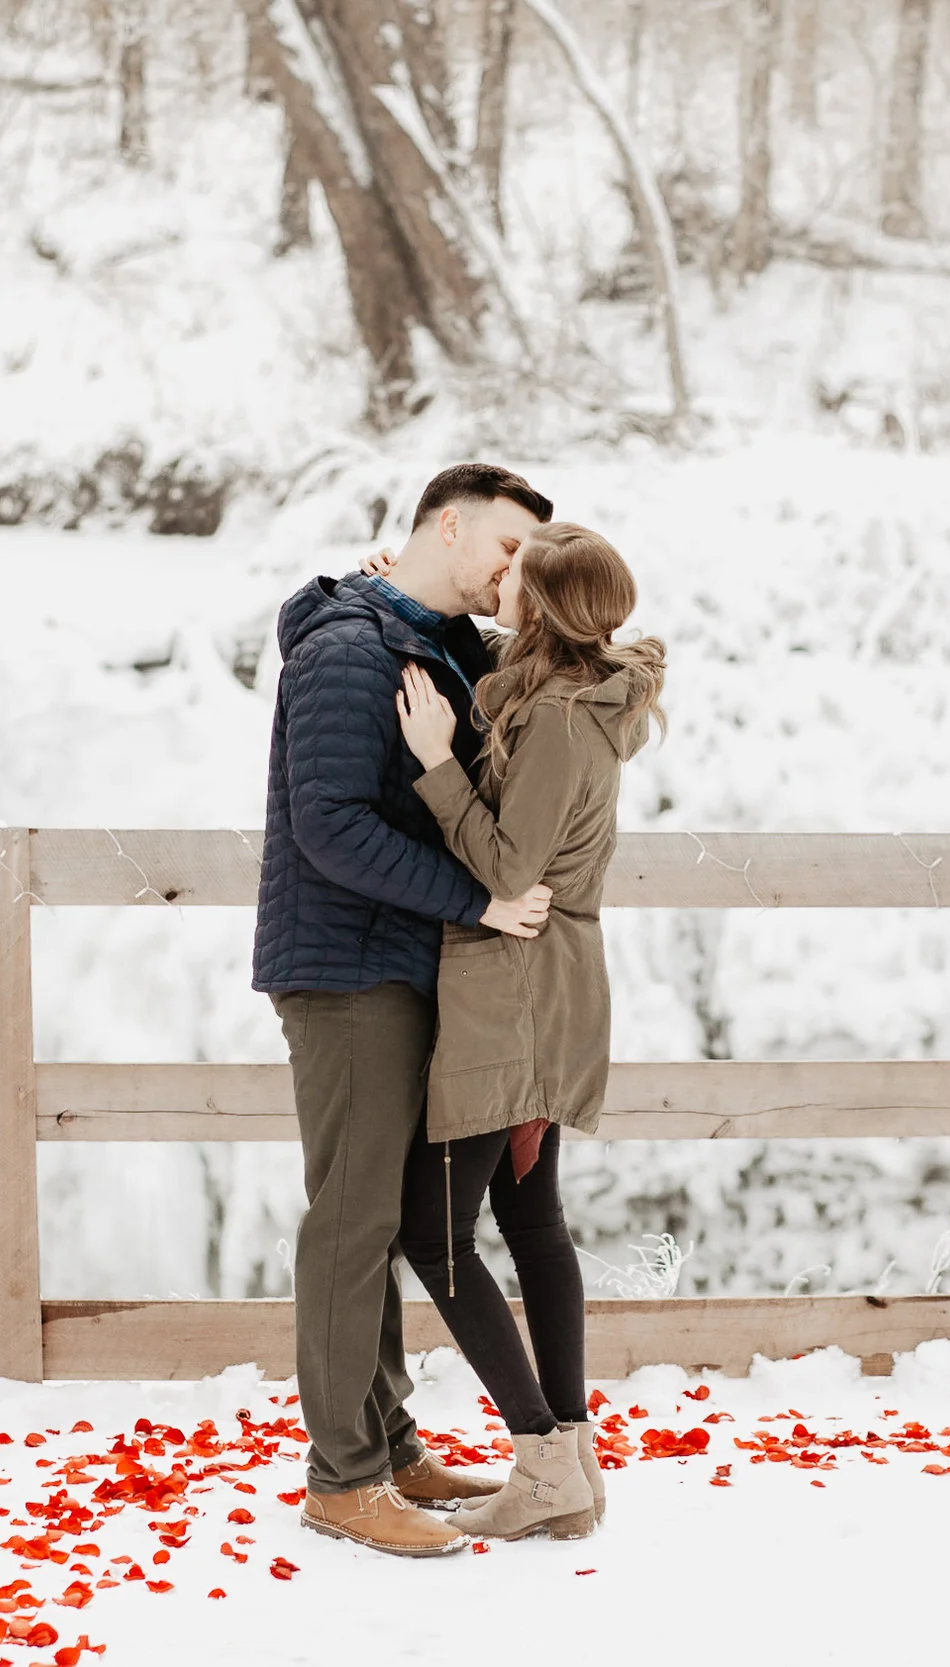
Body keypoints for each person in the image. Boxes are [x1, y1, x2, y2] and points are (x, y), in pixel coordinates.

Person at [252, 463, 561, 1559]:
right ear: (448, 522)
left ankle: (383, 1447)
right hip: (346, 972)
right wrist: (477, 897)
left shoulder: (428, 637)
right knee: (349, 1220)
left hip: (399, 966)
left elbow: (532, 683)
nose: (513, 574)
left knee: (377, 1217)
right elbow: (327, 823)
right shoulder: (352, 649)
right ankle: (341, 1478)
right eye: (507, 550)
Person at [386, 522, 667, 1542]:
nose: (496, 582)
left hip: (519, 981)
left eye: (515, 577)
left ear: (542, 611)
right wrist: (406, 586)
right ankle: (572, 1462)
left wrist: (432, 764)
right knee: (530, 1216)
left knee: (435, 1232)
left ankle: (543, 1454)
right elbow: (502, 665)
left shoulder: (555, 719)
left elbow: (510, 868)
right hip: (544, 980)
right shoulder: (576, 691)